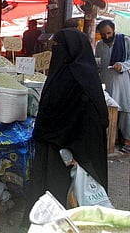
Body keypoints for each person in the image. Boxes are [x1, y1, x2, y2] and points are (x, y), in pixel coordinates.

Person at [22, 28, 109, 227]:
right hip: (71, 146)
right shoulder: (86, 75)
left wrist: (69, 146)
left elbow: (87, 118)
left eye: (58, 47)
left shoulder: (70, 78)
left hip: (67, 150)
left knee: (60, 193)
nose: (55, 52)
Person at [95, 19, 130, 153]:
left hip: (122, 80)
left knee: (125, 109)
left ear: (114, 30)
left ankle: (127, 140)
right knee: (109, 110)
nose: (107, 37)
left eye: (109, 33)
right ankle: (112, 138)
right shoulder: (100, 45)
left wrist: (123, 65)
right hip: (106, 80)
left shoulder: (126, 41)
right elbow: (97, 61)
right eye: (104, 35)